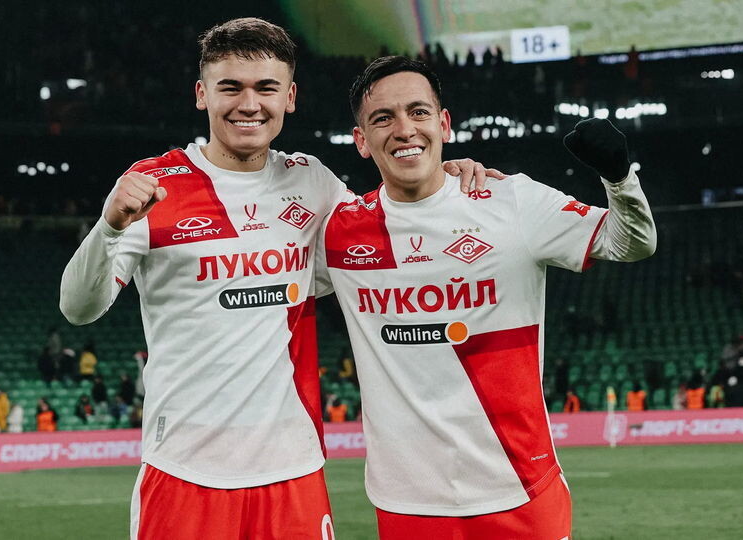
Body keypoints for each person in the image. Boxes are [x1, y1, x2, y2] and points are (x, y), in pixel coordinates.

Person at [59, 18, 495, 540]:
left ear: (289, 97)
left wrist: (440, 176)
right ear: (201, 94)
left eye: (266, 88)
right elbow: (78, 308)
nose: (249, 104)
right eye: (231, 88)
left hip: (294, 470)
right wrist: (109, 226)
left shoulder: (311, 182)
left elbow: (393, 231)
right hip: (183, 469)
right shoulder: (153, 185)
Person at [315, 55, 656, 538]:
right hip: (406, 502)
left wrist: (619, 178)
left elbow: (631, 242)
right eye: (383, 118)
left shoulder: (511, 200)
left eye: (418, 112)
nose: (404, 129)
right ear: (361, 141)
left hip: (521, 491)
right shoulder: (340, 232)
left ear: (444, 123)